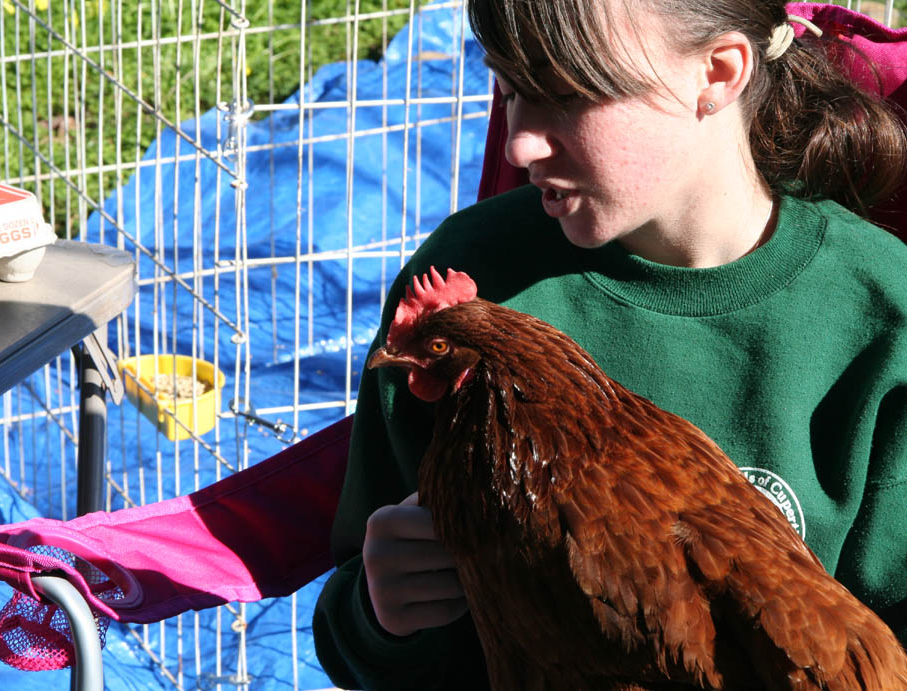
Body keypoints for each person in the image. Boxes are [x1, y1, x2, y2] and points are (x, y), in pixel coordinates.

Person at [312, 0, 907, 688]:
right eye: (508, 90)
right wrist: (379, 616)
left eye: (567, 92)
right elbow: (359, 616)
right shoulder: (477, 296)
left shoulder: (881, 318)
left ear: (717, 72)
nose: (517, 145)